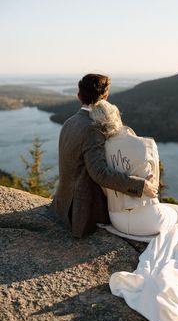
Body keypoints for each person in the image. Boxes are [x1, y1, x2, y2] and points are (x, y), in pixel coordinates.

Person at [89, 100, 178, 321]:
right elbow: (154, 188)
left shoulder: (98, 153)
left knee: (177, 217)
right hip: (147, 219)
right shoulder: (145, 144)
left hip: (117, 219)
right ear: (119, 117)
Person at [51, 74, 158, 238]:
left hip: (62, 205)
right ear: (105, 97)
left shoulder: (69, 122)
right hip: (83, 214)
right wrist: (141, 185)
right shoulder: (93, 128)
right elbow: (99, 173)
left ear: (79, 96)